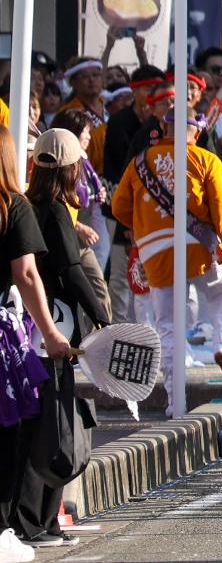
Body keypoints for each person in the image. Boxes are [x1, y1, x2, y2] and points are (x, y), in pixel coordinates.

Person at [108, 77, 222, 381]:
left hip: (154, 249)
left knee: (167, 324)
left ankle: (174, 396)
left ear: (165, 128)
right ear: (196, 130)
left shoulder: (139, 162)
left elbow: (119, 207)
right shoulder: (207, 159)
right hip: (196, 247)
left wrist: (144, 225)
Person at [15, 129, 101, 547]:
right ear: (71, 168)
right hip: (54, 330)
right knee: (50, 426)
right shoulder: (53, 210)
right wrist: (103, 317)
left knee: (37, 422)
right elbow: (70, 271)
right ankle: (34, 522)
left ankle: (42, 520)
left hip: (29, 327)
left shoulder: (28, 204)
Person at [0, 138, 76, 554]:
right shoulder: (12, 205)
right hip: (1, 337)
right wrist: (50, 333)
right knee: (9, 431)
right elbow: (27, 276)